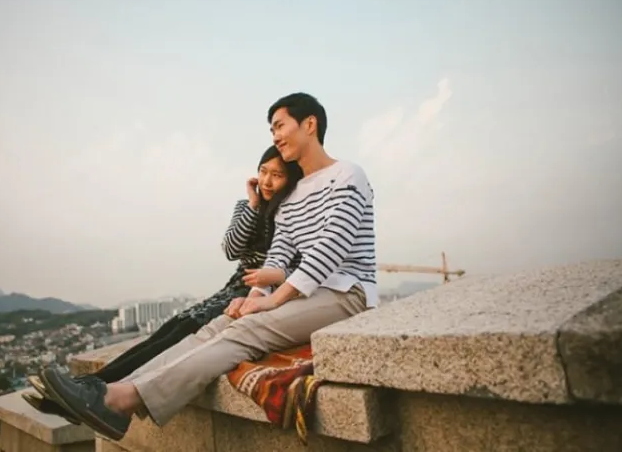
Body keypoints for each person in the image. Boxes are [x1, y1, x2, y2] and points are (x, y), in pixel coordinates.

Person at [40, 92, 378, 441]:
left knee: (247, 330)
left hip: (346, 292)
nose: (275, 136)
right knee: (215, 326)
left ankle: (121, 402)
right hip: (306, 295)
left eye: (280, 126)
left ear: (309, 124)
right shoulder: (291, 197)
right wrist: (253, 297)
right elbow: (277, 255)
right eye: (272, 130)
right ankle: (112, 392)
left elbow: (330, 248)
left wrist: (271, 301)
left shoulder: (347, 174)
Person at [22, 145, 303, 422]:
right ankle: (87, 387)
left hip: (258, 292)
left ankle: (89, 393)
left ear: (291, 178)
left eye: (277, 175)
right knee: (170, 329)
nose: (267, 181)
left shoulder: (291, 212)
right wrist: (253, 205)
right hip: (234, 286)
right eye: (263, 171)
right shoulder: (247, 207)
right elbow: (231, 249)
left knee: (181, 334)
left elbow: (296, 264)